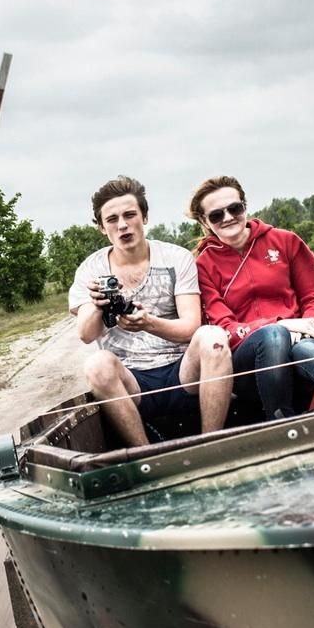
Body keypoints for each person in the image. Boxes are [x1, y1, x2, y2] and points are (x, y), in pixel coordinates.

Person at [70, 176, 233, 447]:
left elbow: (191, 327)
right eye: (112, 219)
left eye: (130, 214)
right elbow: (87, 335)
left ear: (144, 217)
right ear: (101, 227)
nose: (122, 225)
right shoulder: (91, 269)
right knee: (96, 364)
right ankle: (144, 455)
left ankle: (212, 444)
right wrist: (97, 303)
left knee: (213, 337)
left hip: (182, 371)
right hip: (131, 380)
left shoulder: (176, 257)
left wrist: (149, 323)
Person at [189, 175, 314, 420]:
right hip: (246, 361)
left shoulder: (285, 241)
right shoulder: (203, 266)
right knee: (274, 335)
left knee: (310, 351)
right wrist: (281, 325)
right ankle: (281, 424)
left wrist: (307, 326)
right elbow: (223, 327)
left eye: (234, 208)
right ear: (204, 221)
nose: (228, 217)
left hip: (298, 341)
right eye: (217, 215)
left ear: (245, 206)